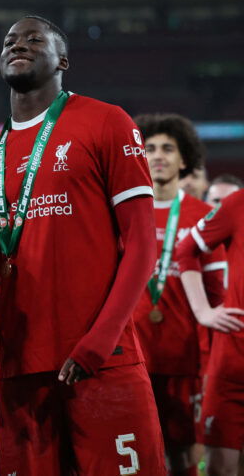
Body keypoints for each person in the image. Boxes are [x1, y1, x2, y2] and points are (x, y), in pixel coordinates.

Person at [0, 15, 165, 475]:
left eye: (34, 39)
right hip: (21, 370)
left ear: (63, 60)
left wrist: (100, 342)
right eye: (10, 40)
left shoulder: (106, 121)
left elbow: (143, 245)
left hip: (102, 361)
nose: (18, 44)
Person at [132, 113, 228, 475]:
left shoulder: (205, 217)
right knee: (135, 452)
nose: (158, 156)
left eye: (167, 149)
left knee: (184, 455)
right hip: (133, 359)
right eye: (150, 148)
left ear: (184, 158)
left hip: (187, 359)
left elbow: (218, 295)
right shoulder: (122, 214)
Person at [177, 191, 244, 476]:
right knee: (220, 469)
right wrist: (202, 311)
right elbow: (185, 249)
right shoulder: (237, 203)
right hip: (233, 363)